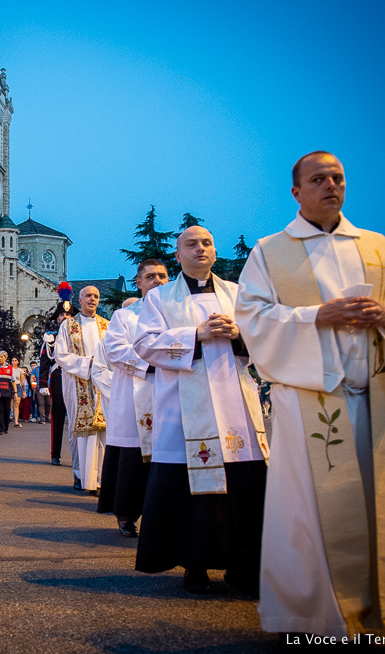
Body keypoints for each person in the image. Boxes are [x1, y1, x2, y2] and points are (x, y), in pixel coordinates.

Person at [237, 151, 385, 637]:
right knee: (306, 515)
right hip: (310, 403)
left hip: (375, 404)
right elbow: (253, 319)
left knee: (375, 510)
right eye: (319, 179)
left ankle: (378, 612)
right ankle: (311, 617)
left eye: (338, 178)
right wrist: (314, 317)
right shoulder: (270, 251)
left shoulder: (376, 247)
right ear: (297, 192)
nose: (331, 186)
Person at [133, 226, 269, 596]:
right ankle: (195, 565)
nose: (200, 249)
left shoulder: (237, 294)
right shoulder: (160, 298)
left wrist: (239, 332)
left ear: (214, 251)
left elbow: (263, 341)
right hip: (183, 410)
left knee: (242, 489)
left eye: (206, 242)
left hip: (235, 406)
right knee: (190, 492)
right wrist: (196, 335)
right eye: (190, 244)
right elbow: (144, 344)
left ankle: (244, 567)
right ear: (178, 255)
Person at [99, 259, 170, 537]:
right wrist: (154, 362)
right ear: (139, 282)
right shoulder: (125, 317)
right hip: (135, 394)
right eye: (150, 276)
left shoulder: (178, 314)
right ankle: (127, 513)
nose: (158, 281)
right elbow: (115, 351)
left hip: (170, 393)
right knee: (133, 458)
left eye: (163, 276)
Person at [55, 285, 112, 494]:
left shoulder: (107, 326)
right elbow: (61, 355)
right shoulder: (69, 326)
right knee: (80, 432)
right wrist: (89, 365)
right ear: (80, 300)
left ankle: (100, 478)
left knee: (103, 431)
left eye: (96, 296)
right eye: (88, 295)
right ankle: (80, 475)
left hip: (103, 386)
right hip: (78, 381)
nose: (93, 299)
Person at [40, 296, 76, 467]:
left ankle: (80, 454)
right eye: (62, 315)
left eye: (68, 315)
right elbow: (45, 362)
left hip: (77, 376)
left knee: (78, 416)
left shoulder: (79, 335)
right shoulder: (50, 337)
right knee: (58, 415)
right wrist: (43, 385)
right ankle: (56, 454)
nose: (65, 318)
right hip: (59, 377)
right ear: (57, 318)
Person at [0, 351, 14, 435]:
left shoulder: (10, 368)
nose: (0, 359)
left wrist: (15, 393)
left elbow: (13, 381)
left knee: (6, 410)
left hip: (7, 392)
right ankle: (0, 429)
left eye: (1, 357)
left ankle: (6, 427)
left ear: (5, 358)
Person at [11, 357, 26, 428]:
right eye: (12, 360)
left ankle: (16, 421)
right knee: (9, 404)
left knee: (16, 404)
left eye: (15, 360)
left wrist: (24, 391)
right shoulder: (9, 368)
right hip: (10, 386)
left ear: (18, 362)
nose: (14, 362)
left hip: (18, 386)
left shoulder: (20, 370)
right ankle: (9, 417)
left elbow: (22, 382)